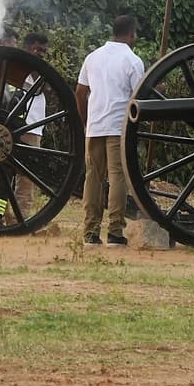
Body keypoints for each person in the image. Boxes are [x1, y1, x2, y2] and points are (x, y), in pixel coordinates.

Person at [75, 15, 144, 246]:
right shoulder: (132, 61)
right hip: (118, 127)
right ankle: (115, 231)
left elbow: (80, 92)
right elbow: (139, 98)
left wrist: (86, 120)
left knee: (93, 177)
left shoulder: (92, 57)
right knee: (117, 178)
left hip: (94, 126)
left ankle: (90, 232)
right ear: (131, 33)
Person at [12, 32, 49, 216]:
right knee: (25, 174)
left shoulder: (41, 73)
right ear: (27, 49)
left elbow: (43, 89)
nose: (41, 54)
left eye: (44, 51)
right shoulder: (17, 70)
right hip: (22, 126)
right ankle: (19, 216)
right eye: (37, 50)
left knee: (27, 177)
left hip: (34, 126)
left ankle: (21, 214)